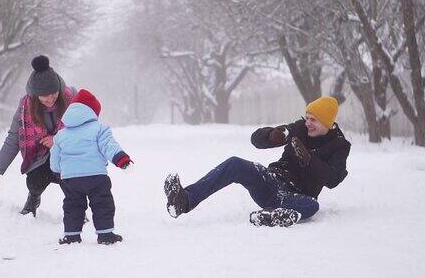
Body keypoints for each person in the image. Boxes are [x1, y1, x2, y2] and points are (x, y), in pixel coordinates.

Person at [164, 96, 351, 227]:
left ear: (327, 123)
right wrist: (271, 135)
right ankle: (184, 200)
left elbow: (333, 180)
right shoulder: (299, 129)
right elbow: (256, 140)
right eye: (307, 117)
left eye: (314, 120)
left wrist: (309, 160)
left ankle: (273, 216)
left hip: (297, 196)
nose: (308, 123)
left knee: (312, 206)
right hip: (270, 181)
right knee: (235, 163)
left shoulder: (339, 145)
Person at [0, 55, 76, 217]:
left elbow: (84, 130)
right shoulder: (25, 108)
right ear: (35, 95)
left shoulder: (72, 99)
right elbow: (13, 139)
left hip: (68, 156)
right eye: (45, 95)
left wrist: (57, 140)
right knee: (34, 182)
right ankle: (34, 197)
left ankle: (77, 207)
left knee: (72, 182)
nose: (50, 98)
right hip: (41, 157)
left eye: (53, 93)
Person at [50, 89, 133, 245]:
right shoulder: (99, 129)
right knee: (102, 203)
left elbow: (55, 157)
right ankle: (105, 234)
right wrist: (120, 158)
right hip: (96, 176)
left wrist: (57, 171)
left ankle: (71, 235)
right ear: (92, 112)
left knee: (73, 205)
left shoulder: (61, 134)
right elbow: (109, 145)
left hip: (71, 179)